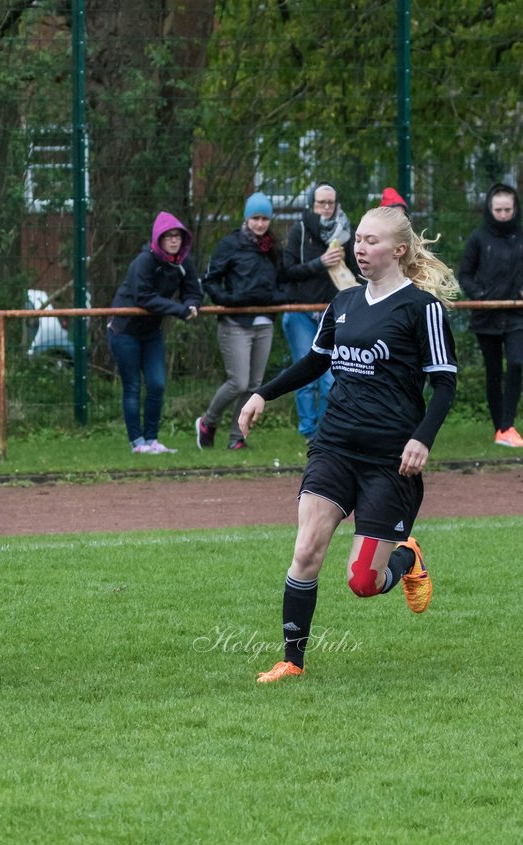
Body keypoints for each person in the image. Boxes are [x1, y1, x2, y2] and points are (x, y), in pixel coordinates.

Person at [238, 205, 460, 683]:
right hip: (334, 446)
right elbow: (315, 363)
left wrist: (422, 438)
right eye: (358, 238)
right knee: (306, 553)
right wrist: (262, 393)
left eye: (372, 241)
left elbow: (444, 384)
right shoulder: (343, 304)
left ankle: (408, 557)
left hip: (389, 461)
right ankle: (292, 661)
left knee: (363, 582)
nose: (360, 248)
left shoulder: (423, 310)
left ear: (399, 250)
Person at [456, 183, 523, 449]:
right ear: (490, 208)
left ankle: (508, 426)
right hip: (487, 316)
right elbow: (464, 274)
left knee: (517, 364)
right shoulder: (478, 238)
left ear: (515, 208)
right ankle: (501, 429)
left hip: (518, 314)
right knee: (493, 373)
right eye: (498, 209)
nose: (503, 214)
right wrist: (480, 296)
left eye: (508, 209)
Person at [195, 191, 288, 451]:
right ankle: (207, 422)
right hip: (235, 323)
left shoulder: (273, 248)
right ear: (247, 219)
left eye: (264, 219)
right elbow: (210, 280)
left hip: (264, 323)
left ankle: (237, 437)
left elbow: (281, 280)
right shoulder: (230, 244)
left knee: (255, 385)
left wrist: (275, 299)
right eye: (255, 218)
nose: (260, 224)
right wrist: (230, 300)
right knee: (238, 382)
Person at [107, 211, 202, 454]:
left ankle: (152, 440)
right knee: (132, 387)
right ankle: (137, 442)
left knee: (157, 384)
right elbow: (144, 297)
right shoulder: (143, 262)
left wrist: (191, 304)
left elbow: (193, 291)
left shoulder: (183, 263)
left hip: (151, 332)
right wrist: (179, 310)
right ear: (158, 239)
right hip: (124, 330)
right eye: (168, 236)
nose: (173, 241)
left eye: (177, 236)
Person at [281, 183, 361, 441]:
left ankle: (325, 432)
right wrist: (319, 263)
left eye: (331, 203)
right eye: (321, 203)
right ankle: (307, 432)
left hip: (334, 312)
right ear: (311, 205)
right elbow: (286, 272)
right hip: (301, 312)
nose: (327, 208)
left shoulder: (346, 233)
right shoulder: (299, 230)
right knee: (306, 375)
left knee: (331, 377)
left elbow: (355, 271)